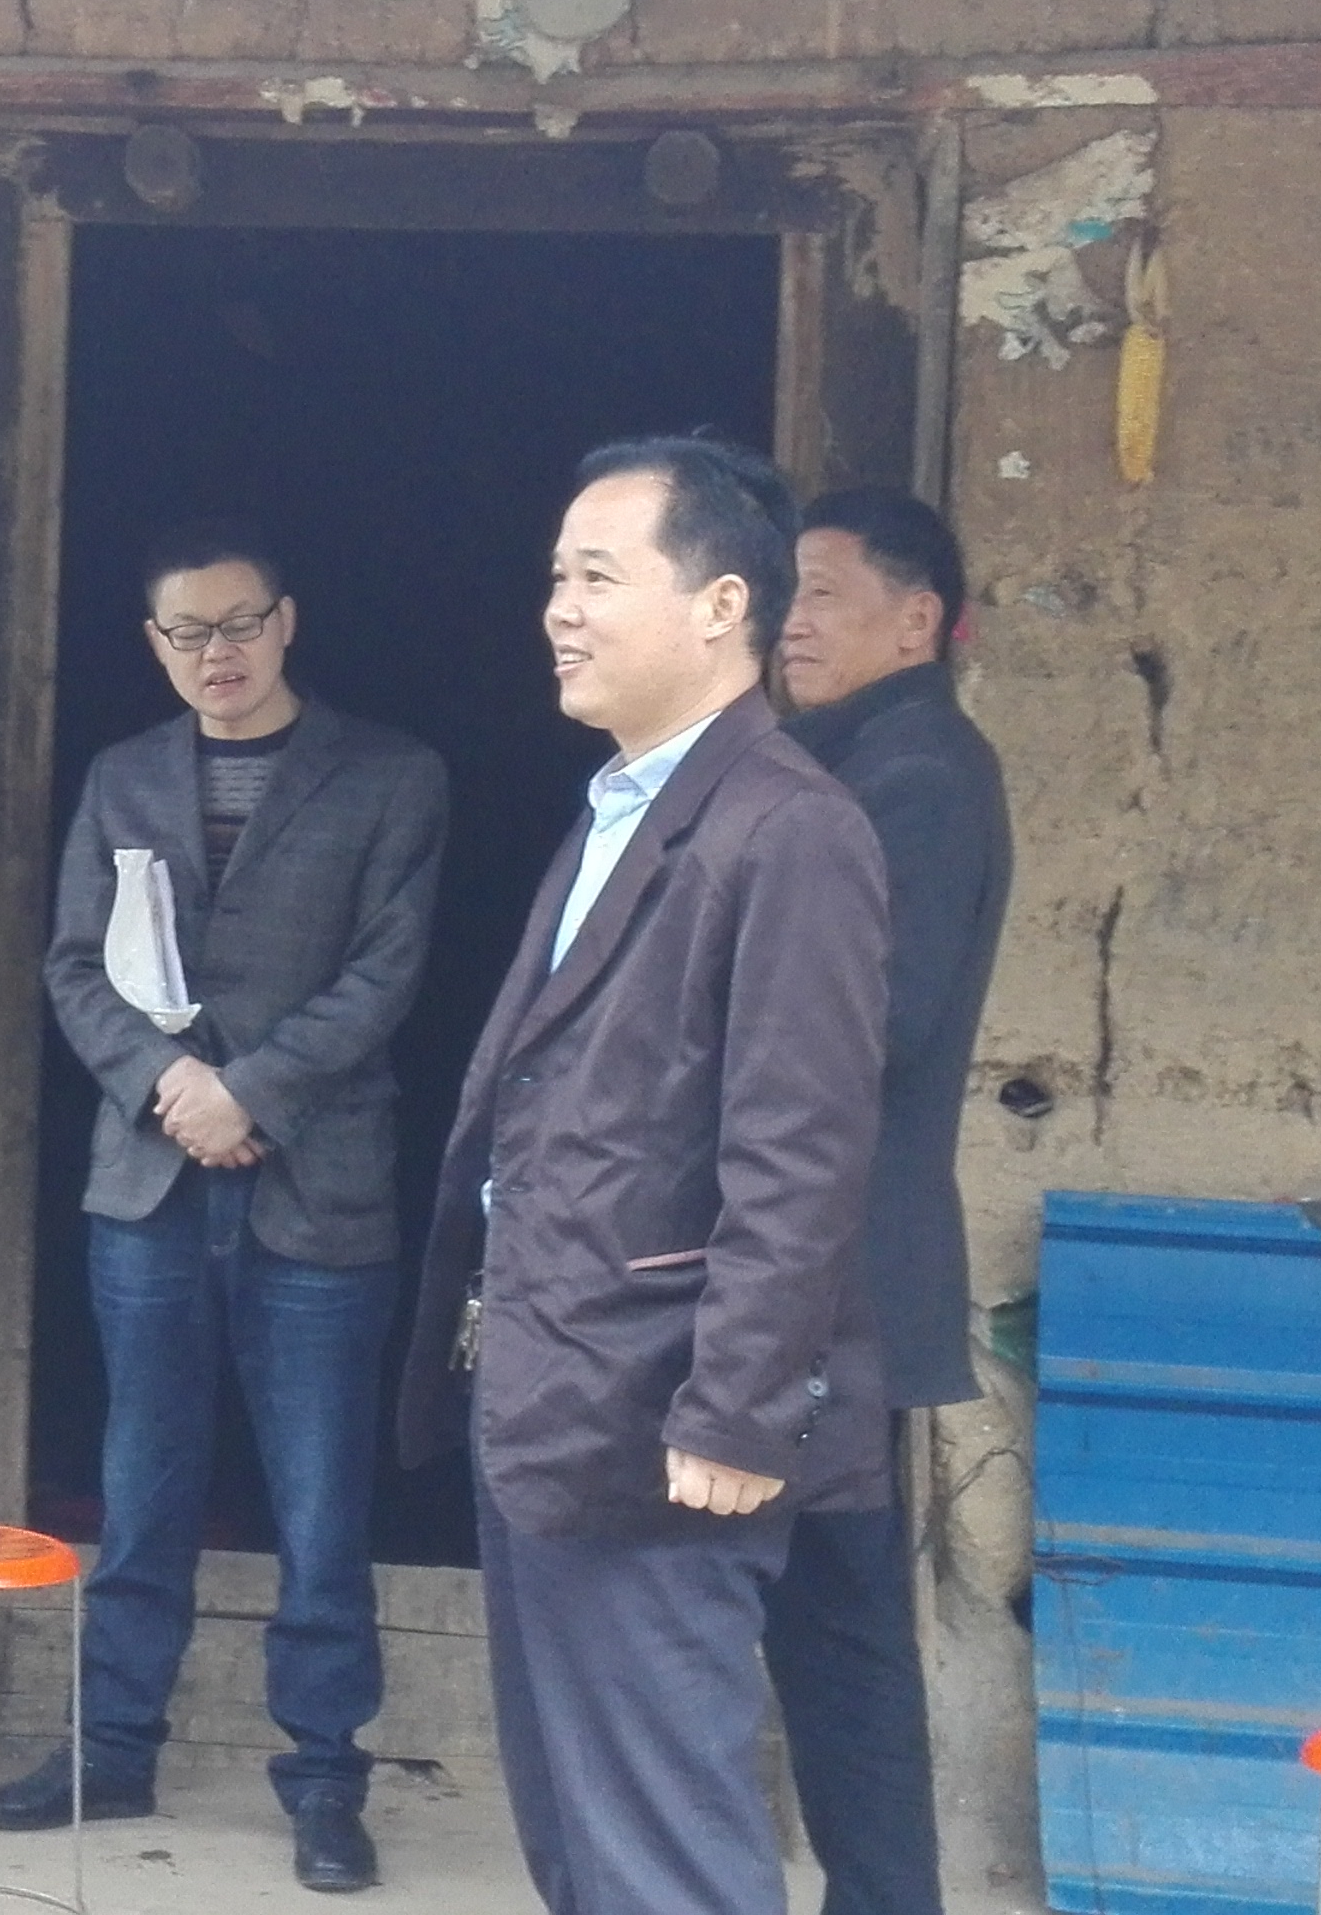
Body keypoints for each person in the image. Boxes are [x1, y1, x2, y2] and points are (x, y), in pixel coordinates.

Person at [395, 436, 893, 1915]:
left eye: (598, 577)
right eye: (556, 576)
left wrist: (737, 1407)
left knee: (660, 1844)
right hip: (555, 1386)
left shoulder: (790, 829)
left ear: (721, 604)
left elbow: (800, 1150)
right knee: (577, 1828)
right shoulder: (624, 805)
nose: (559, 609)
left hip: (665, 1418)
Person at [0, 523, 447, 1893]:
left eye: (239, 623)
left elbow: (386, 974)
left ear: (287, 621)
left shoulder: (392, 774)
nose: (217, 653)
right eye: (187, 633)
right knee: (143, 1479)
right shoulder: (122, 776)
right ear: (155, 645)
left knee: (319, 1499)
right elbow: (75, 966)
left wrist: (249, 1090)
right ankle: (113, 1743)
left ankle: (323, 1774)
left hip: (317, 1181)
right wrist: (169, 1086)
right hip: (149, 1179)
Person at [765, 487, 1015, 1915]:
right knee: (830, 1621)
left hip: (837, 1271)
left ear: (916, 619)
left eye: (820, 592)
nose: (788, 621)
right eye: (782, 593)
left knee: (836, 1625)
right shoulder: (851, 756)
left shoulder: (913, 772)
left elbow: (879, 1022)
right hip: (829, 1273)